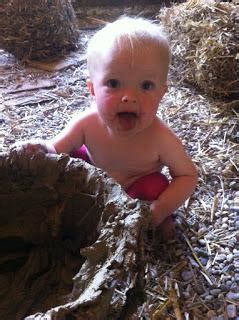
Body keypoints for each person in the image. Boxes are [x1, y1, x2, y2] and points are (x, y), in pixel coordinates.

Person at [16, 17, 198, 237]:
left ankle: (156, 224)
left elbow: (187, 176)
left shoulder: (161, 138)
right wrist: (41, 149)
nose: (129, 97)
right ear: (92, 89)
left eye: (146, 85)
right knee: (71, 157)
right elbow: (57, 150)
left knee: (155, 186)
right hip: (90, 180)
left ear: (161, 93)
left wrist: (161, 208)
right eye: (113, 84)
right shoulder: (86, 123)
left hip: (134, 191)